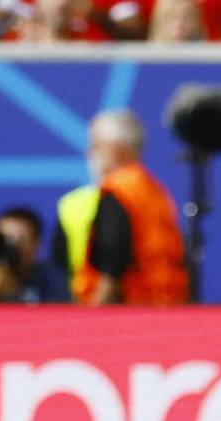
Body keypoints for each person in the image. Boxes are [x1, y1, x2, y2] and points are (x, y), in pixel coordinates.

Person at [55, 109, 188, 305]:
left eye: (95, 146)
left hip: (126, 313)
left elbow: (112, 262)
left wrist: (94, 317)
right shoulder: (155, 192)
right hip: (162, 307)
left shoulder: (117, 192)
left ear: (117, 150)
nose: (89, 154)